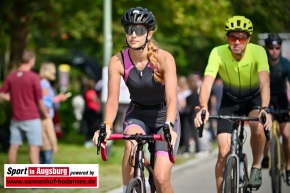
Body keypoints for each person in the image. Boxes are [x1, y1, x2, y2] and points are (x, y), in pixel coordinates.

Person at [92, 7, 180, 193]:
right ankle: (127, 189)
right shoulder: (117, 61)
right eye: (129, 29)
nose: (133, 35)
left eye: (139, 30)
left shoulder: (164, 59)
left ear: (149, 33)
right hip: (137, 114)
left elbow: (173, 99)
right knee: (130, 146)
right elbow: (113, 100)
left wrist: (169, 125)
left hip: (164, 115)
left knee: (161, 178)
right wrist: (106, 124)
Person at [194, 16, 272, 193]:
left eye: (242, 38)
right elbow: (206, 84)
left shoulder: (258, 51)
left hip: (254, 99)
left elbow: (265, 83)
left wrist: (265, 109)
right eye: (232, 38)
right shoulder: (217, 52)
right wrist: (203, 108)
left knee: (257, 127)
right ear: (227, 38)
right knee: (223, 152)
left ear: (248, 39)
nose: (237, 42)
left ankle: (257, 165)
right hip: (229, 101)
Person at [0, 49, 49, 164]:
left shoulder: (11, 77)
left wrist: (13, 99)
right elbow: (39, 100)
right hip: (32, 117)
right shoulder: (34, 77)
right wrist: (45, 113)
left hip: (16, 118)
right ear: (31, 60)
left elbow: (2, 93)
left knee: (13, 147)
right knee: (34, 148)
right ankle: (35, 180)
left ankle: (11, 178)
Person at [261, 33, 290, 185]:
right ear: (267, 48)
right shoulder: (262, 62)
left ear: (280, 48)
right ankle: (265, 156)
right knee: (265, 131)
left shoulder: (286, 64)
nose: (274, 51)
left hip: (282, 100)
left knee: (286, 135)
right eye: (271, 48)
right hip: (266, 99)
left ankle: (289, 168)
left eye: (277, 48)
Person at [39, 62, 68, 164]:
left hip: (44, 116)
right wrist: (58, 98)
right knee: (47, 145)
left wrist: (57, 98)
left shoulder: (43, 83)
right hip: (45, 116)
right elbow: (45, 100)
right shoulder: (45, 84)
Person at [83, 78, 102, 148]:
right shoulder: (90, 92)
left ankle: (91, 140)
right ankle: (89, 140)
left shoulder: (89, 92)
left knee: (93, 126)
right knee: (91, 126)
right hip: (91, 112)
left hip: (93, 112)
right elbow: (95, 100)